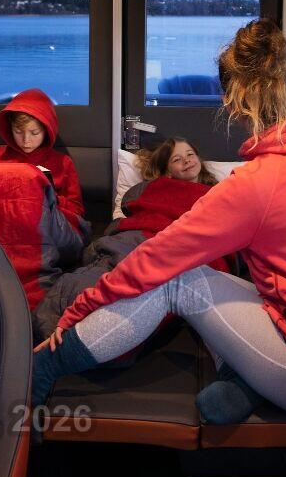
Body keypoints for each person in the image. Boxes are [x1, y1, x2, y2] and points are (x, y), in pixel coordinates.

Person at [32, 18, 286, 425]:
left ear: (232, 104)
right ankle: (246, 380)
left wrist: (79, 309)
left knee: (178, 279)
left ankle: (44, 368)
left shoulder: (256, 184)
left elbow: (157, 257)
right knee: (208, 275)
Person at [32, 136, 227, 343]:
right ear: (167, 171)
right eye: (177, 159)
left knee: (144, 298)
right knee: (94, 279)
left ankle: (75, 342)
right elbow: (131, 201)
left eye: (190, 154)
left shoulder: (220, 194)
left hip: (179, 249)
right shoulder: (157, 186)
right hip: (138, 239)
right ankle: (52, 335)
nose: (186, 160)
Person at [0, 88, 87, 233]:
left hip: (46, 231)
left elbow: (77, 211)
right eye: (18, 132)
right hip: (1, 230)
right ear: (10, 129)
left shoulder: (63, 163)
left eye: (34, 133)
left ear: (46, 130)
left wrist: (50, 198)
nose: (26, 140)